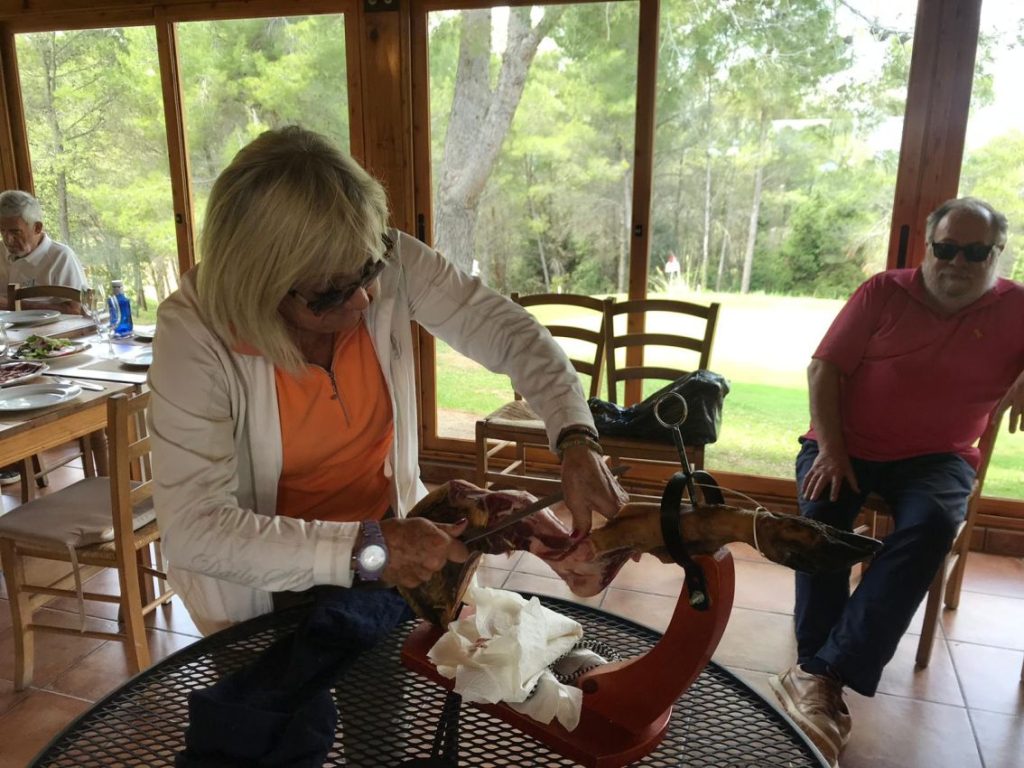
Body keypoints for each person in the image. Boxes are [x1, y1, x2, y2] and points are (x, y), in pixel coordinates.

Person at [148, 125, 629, 637]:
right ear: (262, 286)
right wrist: (365, 547)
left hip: (388, 547)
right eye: (332, 292)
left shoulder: (379, 256)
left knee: (400, 682)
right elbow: (196, 528)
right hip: (263, 587)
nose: (364, 300)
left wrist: (576, 436)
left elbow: (511, 332)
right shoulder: (195, 334)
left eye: (367, 271)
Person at [769, 197, 1024, 767]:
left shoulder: (1018, 306)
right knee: (822, 518)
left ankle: (821, 674)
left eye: (975, 252)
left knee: (931, 526)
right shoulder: (883, 291)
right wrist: (831, 449)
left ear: (997, 253)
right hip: (844, 441)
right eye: (946, 248)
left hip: (939, 457)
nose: (957, 262)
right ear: (928, 246)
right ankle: (819, 670)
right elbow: (824, 368)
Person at [0, 190, 88, 313]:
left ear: (37, 228)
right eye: (2, 231)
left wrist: (15, 305)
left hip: (54, 326)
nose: (8, 240)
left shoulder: (61, 257)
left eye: (15, 232)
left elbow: (77, 310)